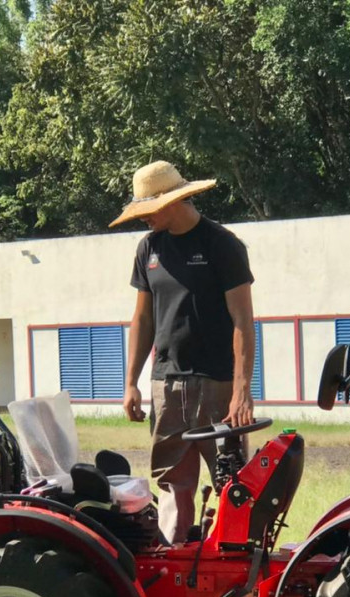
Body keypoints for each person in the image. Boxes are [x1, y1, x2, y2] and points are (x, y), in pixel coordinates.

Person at [109, 160, 255, 545]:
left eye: (147, 210)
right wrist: (131, 383)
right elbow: (142, 320)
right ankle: (174, 562)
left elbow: (243, 320)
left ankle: (235, 564)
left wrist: (242, 389)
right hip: (166, 384)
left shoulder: (222, 244)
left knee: (231, 479)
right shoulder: (148, 248)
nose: (142, 219)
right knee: (172, 481)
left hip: (218, 384)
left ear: (173, 202)